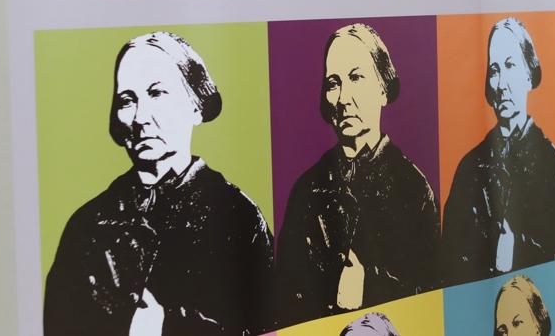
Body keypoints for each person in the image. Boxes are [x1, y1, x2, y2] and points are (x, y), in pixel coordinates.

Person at [43, 32, 275, 335]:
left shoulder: (237, 215)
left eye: (157, 93)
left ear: (195, 105)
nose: (140, 117)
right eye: (127, 100)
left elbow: (269, 325)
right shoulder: (87, 226)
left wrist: (167, 326)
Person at [276, 23, 440, 324]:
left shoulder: (413, 188)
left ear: (382, 88)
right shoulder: (306, 189)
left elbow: (431, 299)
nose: (343, 98)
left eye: (356, 78)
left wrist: (368, 285)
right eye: (333, 83)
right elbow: (285, 298)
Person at [442, 18, 555, 284]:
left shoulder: (552, 166)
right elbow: (449, 261)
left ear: (529, 73)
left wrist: (516, 251)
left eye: (510, 65)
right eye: (494, 70)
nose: (501, 83)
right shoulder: (470, 166)